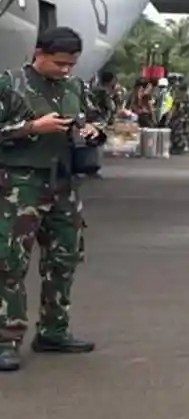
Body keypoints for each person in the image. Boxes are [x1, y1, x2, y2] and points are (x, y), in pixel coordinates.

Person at [0, 27, 106, 372]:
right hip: (19, 184)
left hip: (62, 183)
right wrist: (31, 127)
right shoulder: (9, 84)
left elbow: (94, 118)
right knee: (9, 263)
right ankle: (5, 339)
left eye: (71, 65)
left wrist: (93, 131)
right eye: (59, 63)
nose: (65, 70)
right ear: (39, 53)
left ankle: (53, 330)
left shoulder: (75, 87)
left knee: (65, 257)